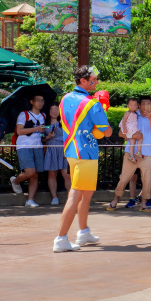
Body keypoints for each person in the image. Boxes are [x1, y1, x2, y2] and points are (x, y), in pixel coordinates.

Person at [54, 66, 111, 252]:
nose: (96, 82)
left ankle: (83, 231)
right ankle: (61, 239)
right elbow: (107, 131)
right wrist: (104, 109)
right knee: (76, 194)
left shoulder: (64, 99)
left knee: (86, 193)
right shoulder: (92, 104)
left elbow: (66, 123)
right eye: (93, 79)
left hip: (71, 151)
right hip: (86, 155)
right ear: (84, 81)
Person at [110, 96, 151, 212]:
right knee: (124, 178)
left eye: (149, 104)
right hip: (130, 153)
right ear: (139, 106)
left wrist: (150, 118)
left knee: (147, 180)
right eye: (143, 104)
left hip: (147, 153)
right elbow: (121, 133)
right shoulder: (131, 115)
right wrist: (133, 136)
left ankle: (144, 204)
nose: (146, 106)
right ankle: (115, 200)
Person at [10, 94, 48, 207]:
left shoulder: (43, 115)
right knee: (29, 172)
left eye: (42, 100)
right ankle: (15, 181)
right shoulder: (24, 114)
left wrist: (47, 135)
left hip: (37, 146)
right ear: (32, 101)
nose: (40, 103)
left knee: (35, 174)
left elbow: (41, 133)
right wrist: (37, 128)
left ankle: (30, 200)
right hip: (24, 145)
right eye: (38, 100)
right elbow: (20, 131)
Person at [43, 104, 69, 201]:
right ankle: (54, 197)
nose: (54, 112)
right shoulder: (45, 124)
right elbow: (41, 138)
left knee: (66, 174)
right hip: (51, 149)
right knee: (52, 174)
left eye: (56, 109)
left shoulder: (63, 122)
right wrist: (47, 137)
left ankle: (71, 197)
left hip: (62, 149)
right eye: (52, 109)